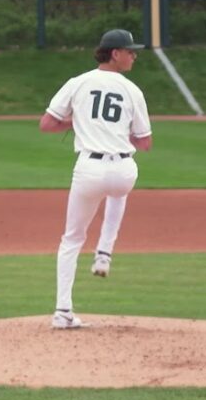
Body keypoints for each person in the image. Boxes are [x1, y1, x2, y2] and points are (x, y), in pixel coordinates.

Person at [38, 29, 153, 329]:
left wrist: (76, 121)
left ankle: (63, 312)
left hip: (89, 170)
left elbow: (47, 124)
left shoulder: (78, 83)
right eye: (130, 51)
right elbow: (145, 143)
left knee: (72, 239)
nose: (134, 55)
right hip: (123, 170)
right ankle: (104, 253)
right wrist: (120, 132)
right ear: (115, 54)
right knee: (119, 188)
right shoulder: (133, 91)